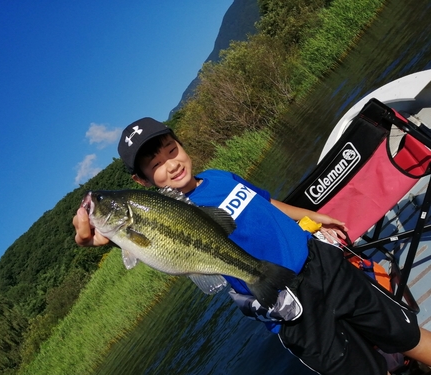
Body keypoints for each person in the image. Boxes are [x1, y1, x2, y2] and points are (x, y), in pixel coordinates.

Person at [73, 117, 431, 375]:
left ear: (181, 144)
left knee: (404, 332)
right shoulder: (154, 214)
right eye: (156, 164)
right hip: (285, 303)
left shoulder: (219, 176)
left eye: (171, 150)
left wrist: (312, 215)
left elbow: (266, 202)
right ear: (142, 180)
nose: (171, 164)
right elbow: (122, 239)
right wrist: (101, 237)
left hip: (322, 264)